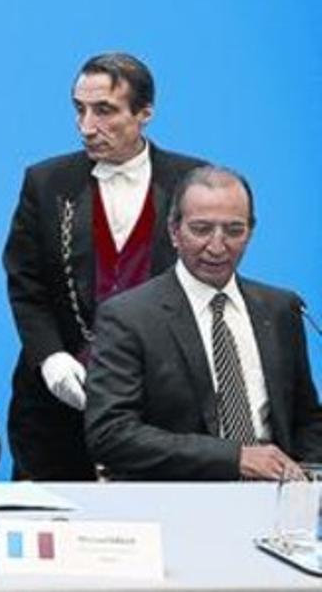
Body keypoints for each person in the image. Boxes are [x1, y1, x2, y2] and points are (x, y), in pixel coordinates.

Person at [3, 52, 205, 480]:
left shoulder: (194, 183)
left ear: (145, 113)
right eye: (79, 109)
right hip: (54, 413)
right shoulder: (46, 182)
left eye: (104, 111)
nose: (86, 127)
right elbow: (26, 283)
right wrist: (51, 357)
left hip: (159, 413)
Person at [85, 167, 322, 480]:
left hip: (276, 503)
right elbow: (111, 434)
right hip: (177, 502)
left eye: (234, 231)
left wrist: (307, 482)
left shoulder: (281, 309)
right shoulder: (129, 316)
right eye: (201, 229)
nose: (217, 246)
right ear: (174, 231)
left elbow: (307, 421)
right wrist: (233, 458)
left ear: (251, 232)